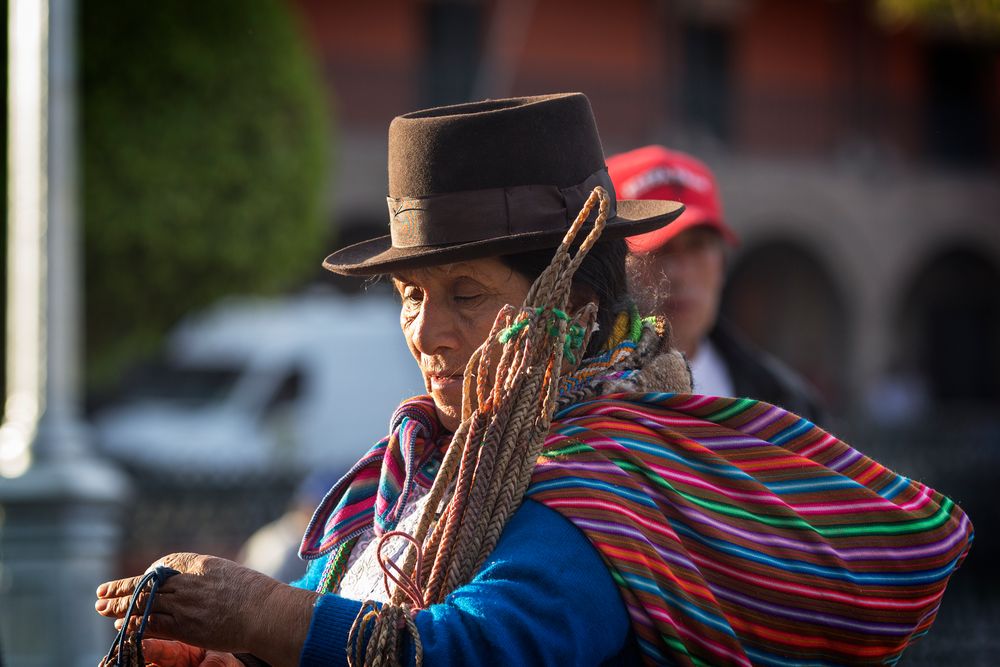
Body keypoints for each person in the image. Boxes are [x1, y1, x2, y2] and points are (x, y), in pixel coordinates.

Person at [96, 93, 972, 666]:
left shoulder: (605, 486)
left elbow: (480, 649)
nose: (426, 331)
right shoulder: (413, 469)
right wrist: (225, 654)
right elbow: (341, 611)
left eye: (465, 293)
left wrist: (260, 614)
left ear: (576, 309)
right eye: (410, 294)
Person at [607, 145, 826, 423]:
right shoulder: (569, 406)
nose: (678, 273)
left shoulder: (788, 404)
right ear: (610, 265)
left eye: (698, 246)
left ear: (721, 263)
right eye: (657, 248)